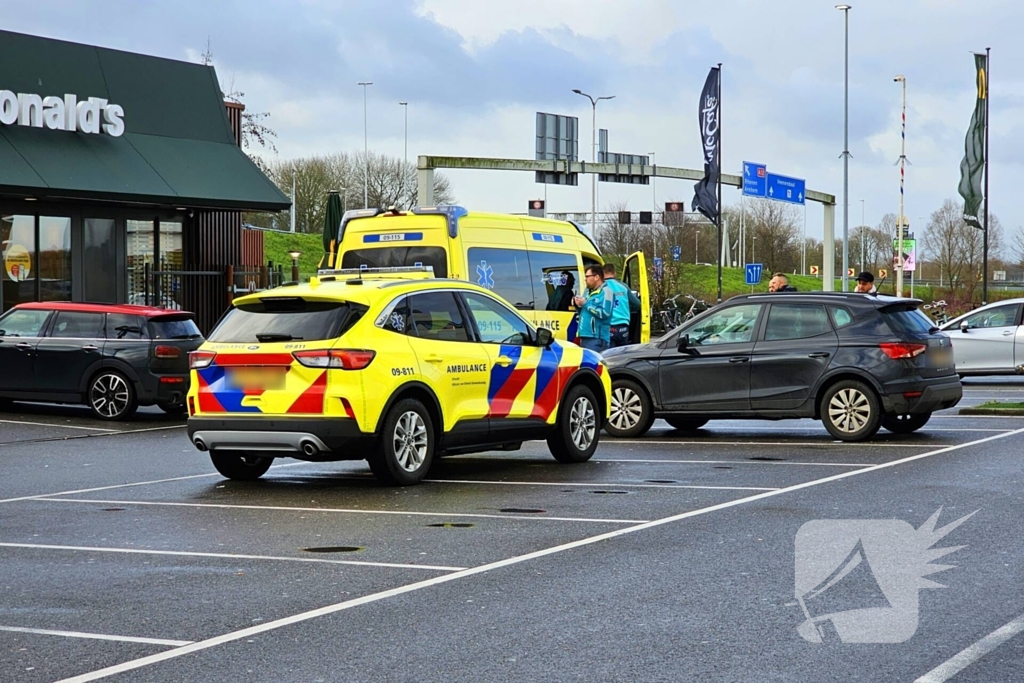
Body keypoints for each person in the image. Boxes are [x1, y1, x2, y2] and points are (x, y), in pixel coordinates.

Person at [573, 265, 613, 353]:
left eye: (587, 276)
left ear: (596, 277)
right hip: (585, 337)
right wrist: (578, 305)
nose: (585, 279)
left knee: (594, 366)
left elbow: (605, 313)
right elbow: (586, 311)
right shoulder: (589, 292)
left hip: (596, 339)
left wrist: (585, 303)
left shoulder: (606, 291)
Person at [602, 262, 640, 347]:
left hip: (608, 328)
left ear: (602, 273)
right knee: (622, 356)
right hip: (623, 328)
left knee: (609, 357)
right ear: (614, 273)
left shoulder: (601, 287)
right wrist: (627, 308)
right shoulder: (624, 286)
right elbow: (637, 304)